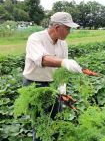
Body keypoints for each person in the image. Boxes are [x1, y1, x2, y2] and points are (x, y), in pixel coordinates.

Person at [22, 12, 97, 141]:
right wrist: (64, 62)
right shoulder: (35, 38)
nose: (69, 32)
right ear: (57, 28)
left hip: (53, 85)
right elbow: (43, 60)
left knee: (57, 120)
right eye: (68, 28)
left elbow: (62, 71)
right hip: (35, 86)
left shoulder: (63, 44)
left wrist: (62, 91)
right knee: (41, 124)